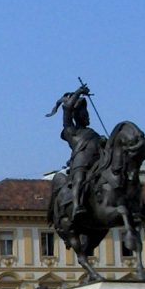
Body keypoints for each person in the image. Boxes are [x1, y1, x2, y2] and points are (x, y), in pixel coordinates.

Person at [47, 84, 105, 223]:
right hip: (80, 165)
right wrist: (79, 92)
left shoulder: (93, 133)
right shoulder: (70, 131)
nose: (88, 116)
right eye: (85, 113)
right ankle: (77, 206)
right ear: (77, 115)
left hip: (97, 165)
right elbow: (67, 108)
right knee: (79, 179)